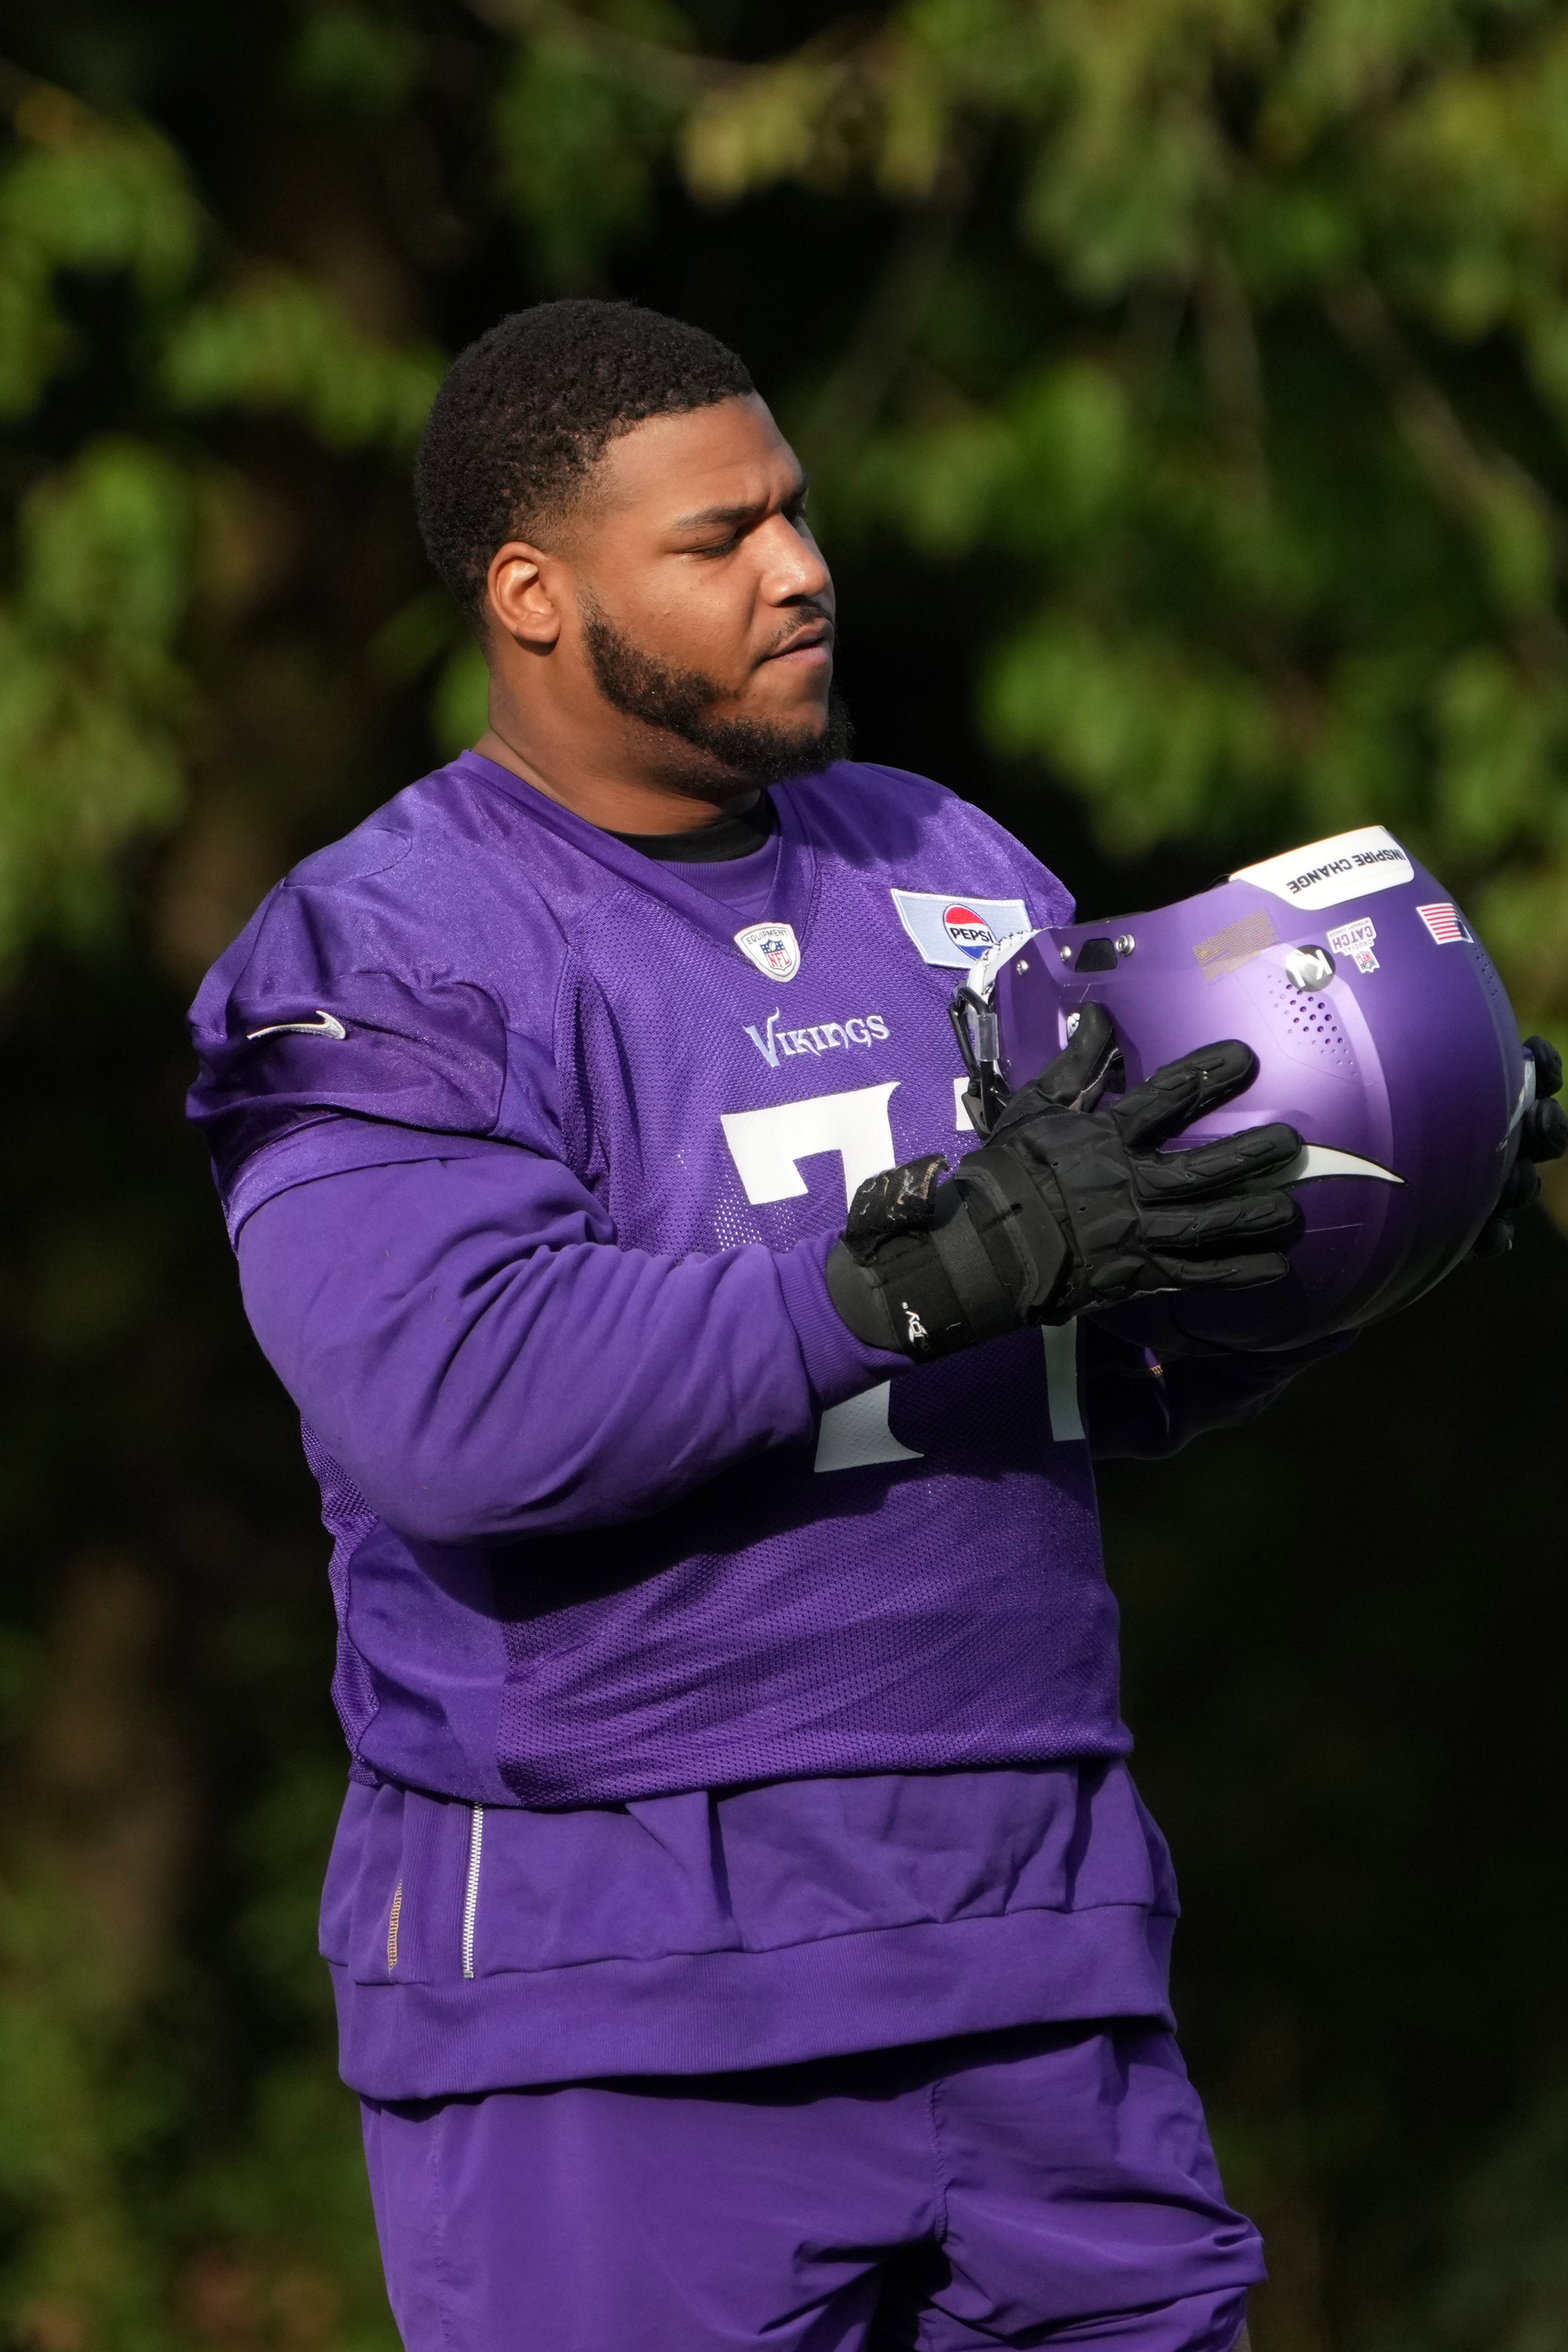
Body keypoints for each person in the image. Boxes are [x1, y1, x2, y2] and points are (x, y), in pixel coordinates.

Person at [185, 300, 1453, 2350]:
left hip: (1039, 1953)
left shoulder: (954, 864)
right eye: (717, 538)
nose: (799, 566)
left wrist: (1365, 1231)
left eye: (794, 509)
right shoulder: (387, 936)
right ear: (534, 594)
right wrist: (926, 1266)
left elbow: (1085, 1359)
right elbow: (452, 1401)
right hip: (621, 2001)